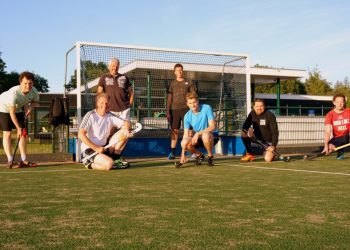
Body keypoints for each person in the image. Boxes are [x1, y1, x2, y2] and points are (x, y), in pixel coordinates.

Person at [78, 93, 133, 170]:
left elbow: (126, 123)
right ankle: (90, 164)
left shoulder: (109, 115)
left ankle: (115, 158)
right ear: (97, 103)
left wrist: (127, 130)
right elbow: (80, 134)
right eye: (102, 103)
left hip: (104, 148)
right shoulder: (90, 115)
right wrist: (96, 148)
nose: (104, 105)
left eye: (106, 103)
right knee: (109, 164)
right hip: (90, 150)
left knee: (124, 132)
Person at [97, 58, 134, 165]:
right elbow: (99, 94)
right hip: (110, 111)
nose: (115, 67)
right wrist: (102, 107)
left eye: (117, 65)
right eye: (113, 65)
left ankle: (117, 155)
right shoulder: (103, 77)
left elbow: (131, 92)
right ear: (109, 67)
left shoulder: (124, 77)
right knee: (110, 134)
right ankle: (109, 155)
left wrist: (129, 104)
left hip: (124, 110)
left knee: (126, 133)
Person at [0, 71, 40, 168]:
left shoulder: (34, 91)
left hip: (17, 109)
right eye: (25, 83)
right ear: (20, 83)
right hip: (3, 108)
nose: (28, 86)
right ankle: (10, 160)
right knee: (8, 133)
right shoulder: (14, 93)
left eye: (30, 83)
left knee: (23, 134)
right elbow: (11, 112)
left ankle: (24, 160)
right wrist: (18, 128)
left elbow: (35, 103)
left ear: (32, 83)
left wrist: (29, 108)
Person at [167, 63, 196, 160]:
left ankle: (192, 152)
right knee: (174, 131)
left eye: (181, 70)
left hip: (187, 109)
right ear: (174, 72)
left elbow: (193, 96)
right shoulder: (172, 83)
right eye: (177, 70)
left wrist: (193, 109)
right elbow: (169, 98)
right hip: (175, 109)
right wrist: (168, 111)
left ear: (182, 71)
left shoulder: (189, 82)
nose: (179, 72)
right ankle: (172, 153)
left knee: (189, 131)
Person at [179, 92, 216, 166]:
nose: (193, 105)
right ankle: (200, 155)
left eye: (194, 102)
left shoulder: (207, 108)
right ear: (187, 104)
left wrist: (198, 133)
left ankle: (210, 156)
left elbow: (212, 126)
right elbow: (185, 135)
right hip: (197, 138)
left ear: (198, 101)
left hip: (209, 137)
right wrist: (183, 155)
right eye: (190, 103)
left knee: (205, 135)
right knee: (183, 143)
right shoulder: (187, 116)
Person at [322, 93, 350, 160]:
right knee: (329, 146)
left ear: (344, 102)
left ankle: (340, 151)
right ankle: (340, 152)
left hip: (347, 135)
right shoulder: (330, 114)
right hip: (338, 138)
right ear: (334, 103)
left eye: (341, 102)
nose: (339, 104)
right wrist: (326, 146)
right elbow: (327, 131)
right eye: (337, 102)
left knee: (343, 138)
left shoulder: (348, 111)